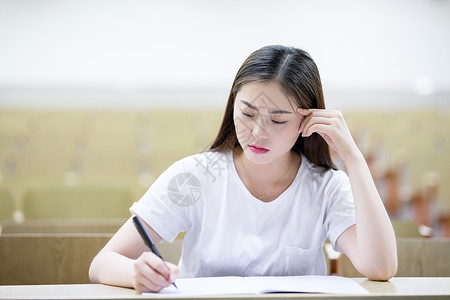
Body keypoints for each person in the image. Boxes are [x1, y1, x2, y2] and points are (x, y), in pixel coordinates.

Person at [89, 45, 397, 293]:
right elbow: (102, 263)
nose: (258, 132)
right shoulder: (194, 177)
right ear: (233, 104)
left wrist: (353, 158)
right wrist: (136, 273)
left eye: (278, 120)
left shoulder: (326, 187)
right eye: (247, 113)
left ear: (308, 122)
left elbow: (381, 267)